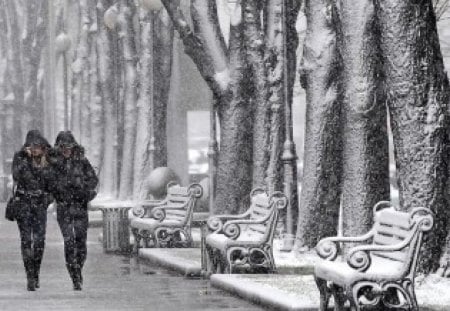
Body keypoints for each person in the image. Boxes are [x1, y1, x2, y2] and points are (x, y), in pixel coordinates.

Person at [50, 131, 98, 290]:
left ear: (74, 146)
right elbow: (47, 183)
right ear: (59, 147)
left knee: (81, 242)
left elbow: (93, 179)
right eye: (63, 146)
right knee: (69, 240)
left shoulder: (82, 162)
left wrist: (85, 191)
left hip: (80, 206)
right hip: (63, 207)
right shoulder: (54, 163)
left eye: (69, 146)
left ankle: (78, 268)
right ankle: (74, 274)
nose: (66, 149)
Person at [12, 130, 53, 291]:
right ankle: (29, 274)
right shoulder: (20, 157)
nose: (35, 149)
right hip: (23, 203)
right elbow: (17, 176)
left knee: (40, 241)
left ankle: (35, 272)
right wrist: (26, 159)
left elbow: (51, 181)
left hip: (39, 206)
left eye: (38, 146)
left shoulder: (47, 159)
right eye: (32, 146)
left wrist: (48, 198)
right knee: (26, 240)